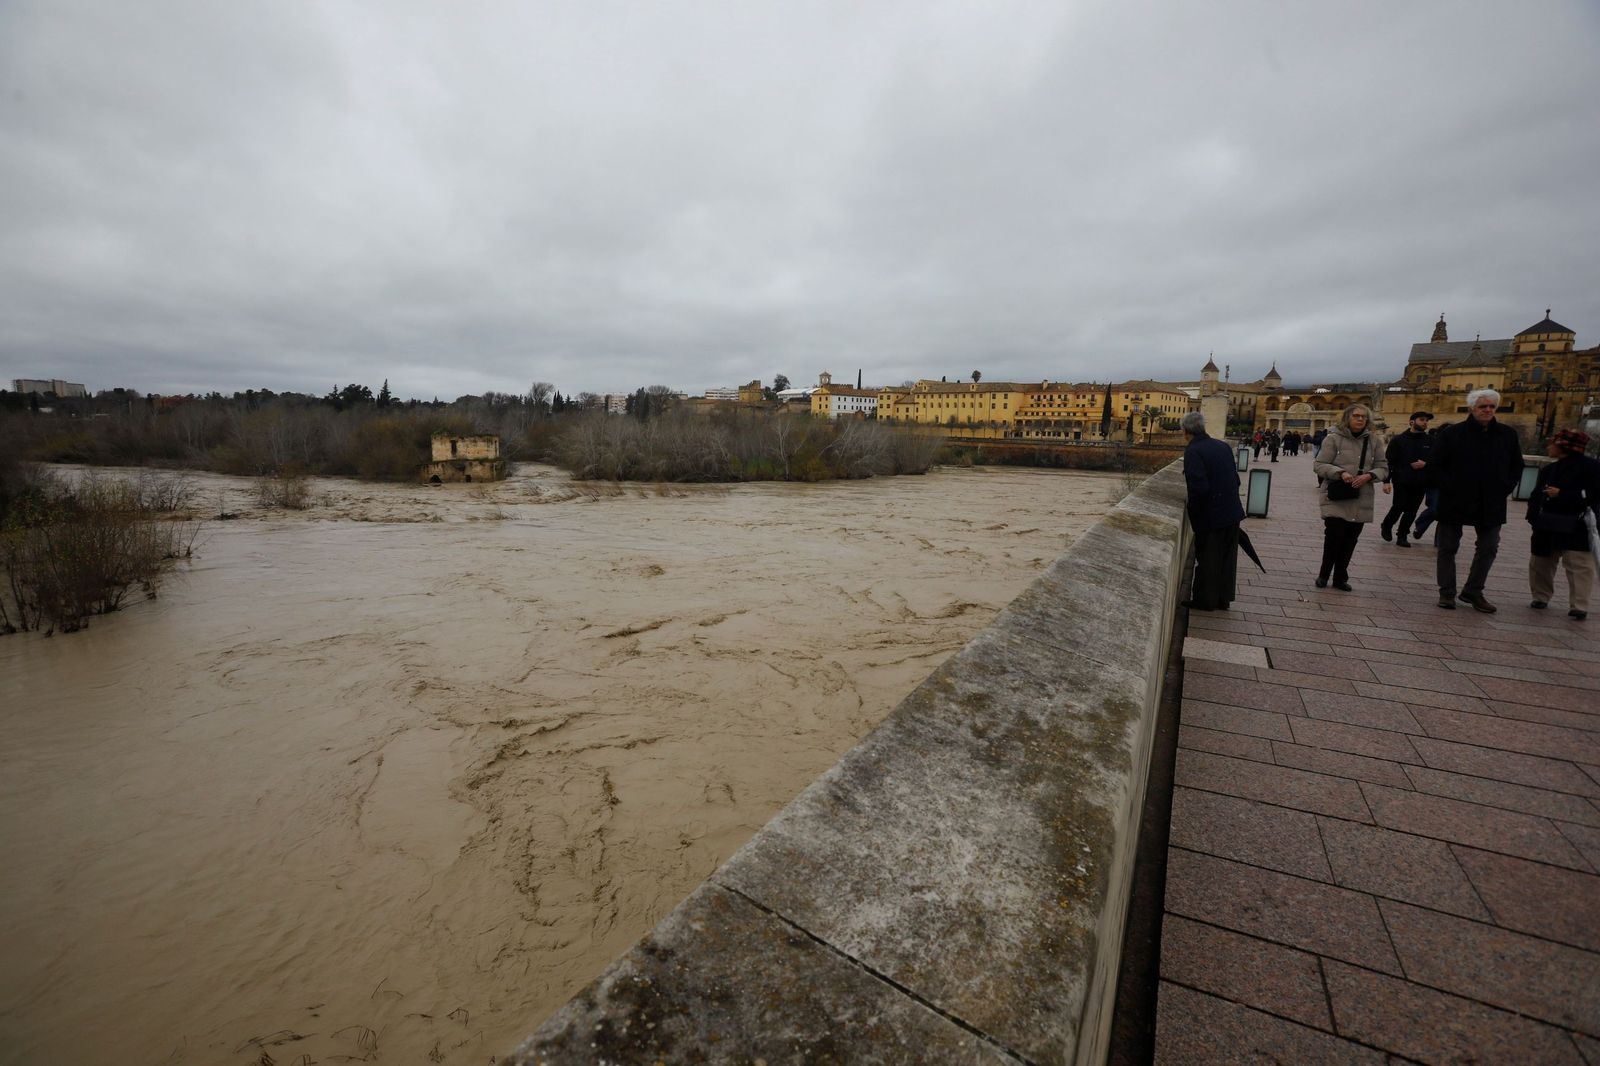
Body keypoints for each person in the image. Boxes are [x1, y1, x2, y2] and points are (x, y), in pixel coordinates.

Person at [1426, 388, 1524, 612]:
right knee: (1448, 546)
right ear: (1472, 408)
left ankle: (1473, 590)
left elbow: (1516, 465)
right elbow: (1435, 465)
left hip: (1491, 499)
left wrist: (1504, 487)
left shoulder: (1507, 434)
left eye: (1491, 406)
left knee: (1489, 547)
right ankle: (1447, 592)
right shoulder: (1452, 433)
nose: (1487, 410)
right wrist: (1450, 486)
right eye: (1482, 406)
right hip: (1455, 498)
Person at [1526, 428, 1600, 620]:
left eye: (1553, 443)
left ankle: (1579, 605)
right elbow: (1537, 494)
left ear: (1565, 447)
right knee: (1541, 562)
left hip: (1578, 524)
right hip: (1547, 523)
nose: (1549, 446)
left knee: (1579, 565)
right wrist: (1533, 516)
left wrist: (1563, 494)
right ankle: (1540, 597)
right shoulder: (1549, 469)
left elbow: (1594, 495)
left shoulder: (1592, 468)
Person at [1312, 404, 1388, 590]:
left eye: (1364, 416)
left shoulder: (1374, 441)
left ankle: (1340, 577)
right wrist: (1340, 473)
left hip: (1361, 496)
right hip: (1336, 496)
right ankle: (1323, 574)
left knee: (1350, 539)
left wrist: (1369, 476)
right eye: (1356, 416)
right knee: (1333, 537)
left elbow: (1383, 467)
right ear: (1347, 418)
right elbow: (1319, 465)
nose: (1360, 419)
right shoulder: (1333, 438)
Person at [1181, 411, 1245, 610]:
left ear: (1185, 432)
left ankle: (1205, 600)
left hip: (1211, 515)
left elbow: (1198, 488)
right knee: (1227, 558)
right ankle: (1223, 599)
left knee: (1208, 558)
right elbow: (1236, 480)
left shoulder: (1193, 451)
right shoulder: (1222, 446)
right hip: (1232, 512)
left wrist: (1195, 515)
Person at [1380, 411, 1434, 547]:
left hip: (1421, 481)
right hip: (1401, 480)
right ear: (1412, 422)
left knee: (1412, 510)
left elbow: (1438, 460)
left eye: (1426, 420)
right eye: (1422, 420)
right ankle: (1387, 525)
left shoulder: (1431, 441)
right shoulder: (1398, 440)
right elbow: (1389, 462)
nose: (1425, 423)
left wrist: (1426, 464)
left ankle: (1402, 535)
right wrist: (1386, 481)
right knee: (1399, 506)